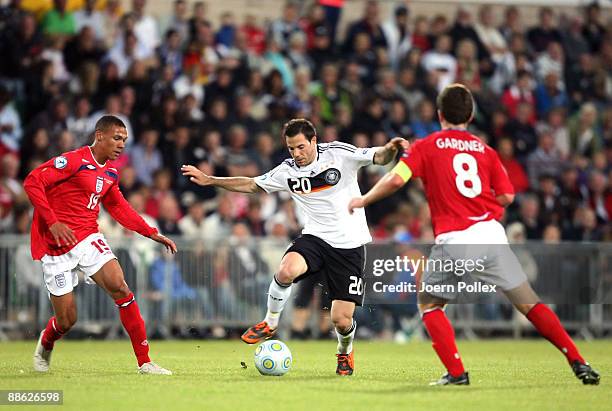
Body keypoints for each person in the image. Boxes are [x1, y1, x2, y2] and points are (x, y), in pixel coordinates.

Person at [348, 84, 600, 386]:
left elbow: (395, 179)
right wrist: (481, 204)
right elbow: (507, 197)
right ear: (470, 115)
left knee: (429, 304)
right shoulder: (486, 150)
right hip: (492, 234)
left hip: (457, 239)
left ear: (440, 114)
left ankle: (456, 373)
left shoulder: (426, 146)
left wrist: (363, 199)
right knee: (529, 303)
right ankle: (578, 360)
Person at [182, 118, 408, 375]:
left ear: (314, 141)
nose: (296, 154)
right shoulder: (287, 170)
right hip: (315, 237)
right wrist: (210, 180)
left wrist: (390, 148)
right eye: (291, 148)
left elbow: (378, 157)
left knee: (341, 320)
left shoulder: (338, 154)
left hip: (349, 246)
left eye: (301, 147)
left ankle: (344, 352)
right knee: (286, 270)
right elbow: (252, 184)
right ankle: (270, 322)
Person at [24, 115, 177, 375]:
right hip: (56, 244)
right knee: (67, 320)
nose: (121, 145)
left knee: (120, 286)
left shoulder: (110, 173)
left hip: (87, 237)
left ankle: (145, 362)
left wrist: (151, 233)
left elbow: (118, 207)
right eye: (117, 138)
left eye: (125, 141)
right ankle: (47, 341)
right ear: (99, 136)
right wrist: (52, 222)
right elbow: (32, 182)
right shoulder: (73, 161)